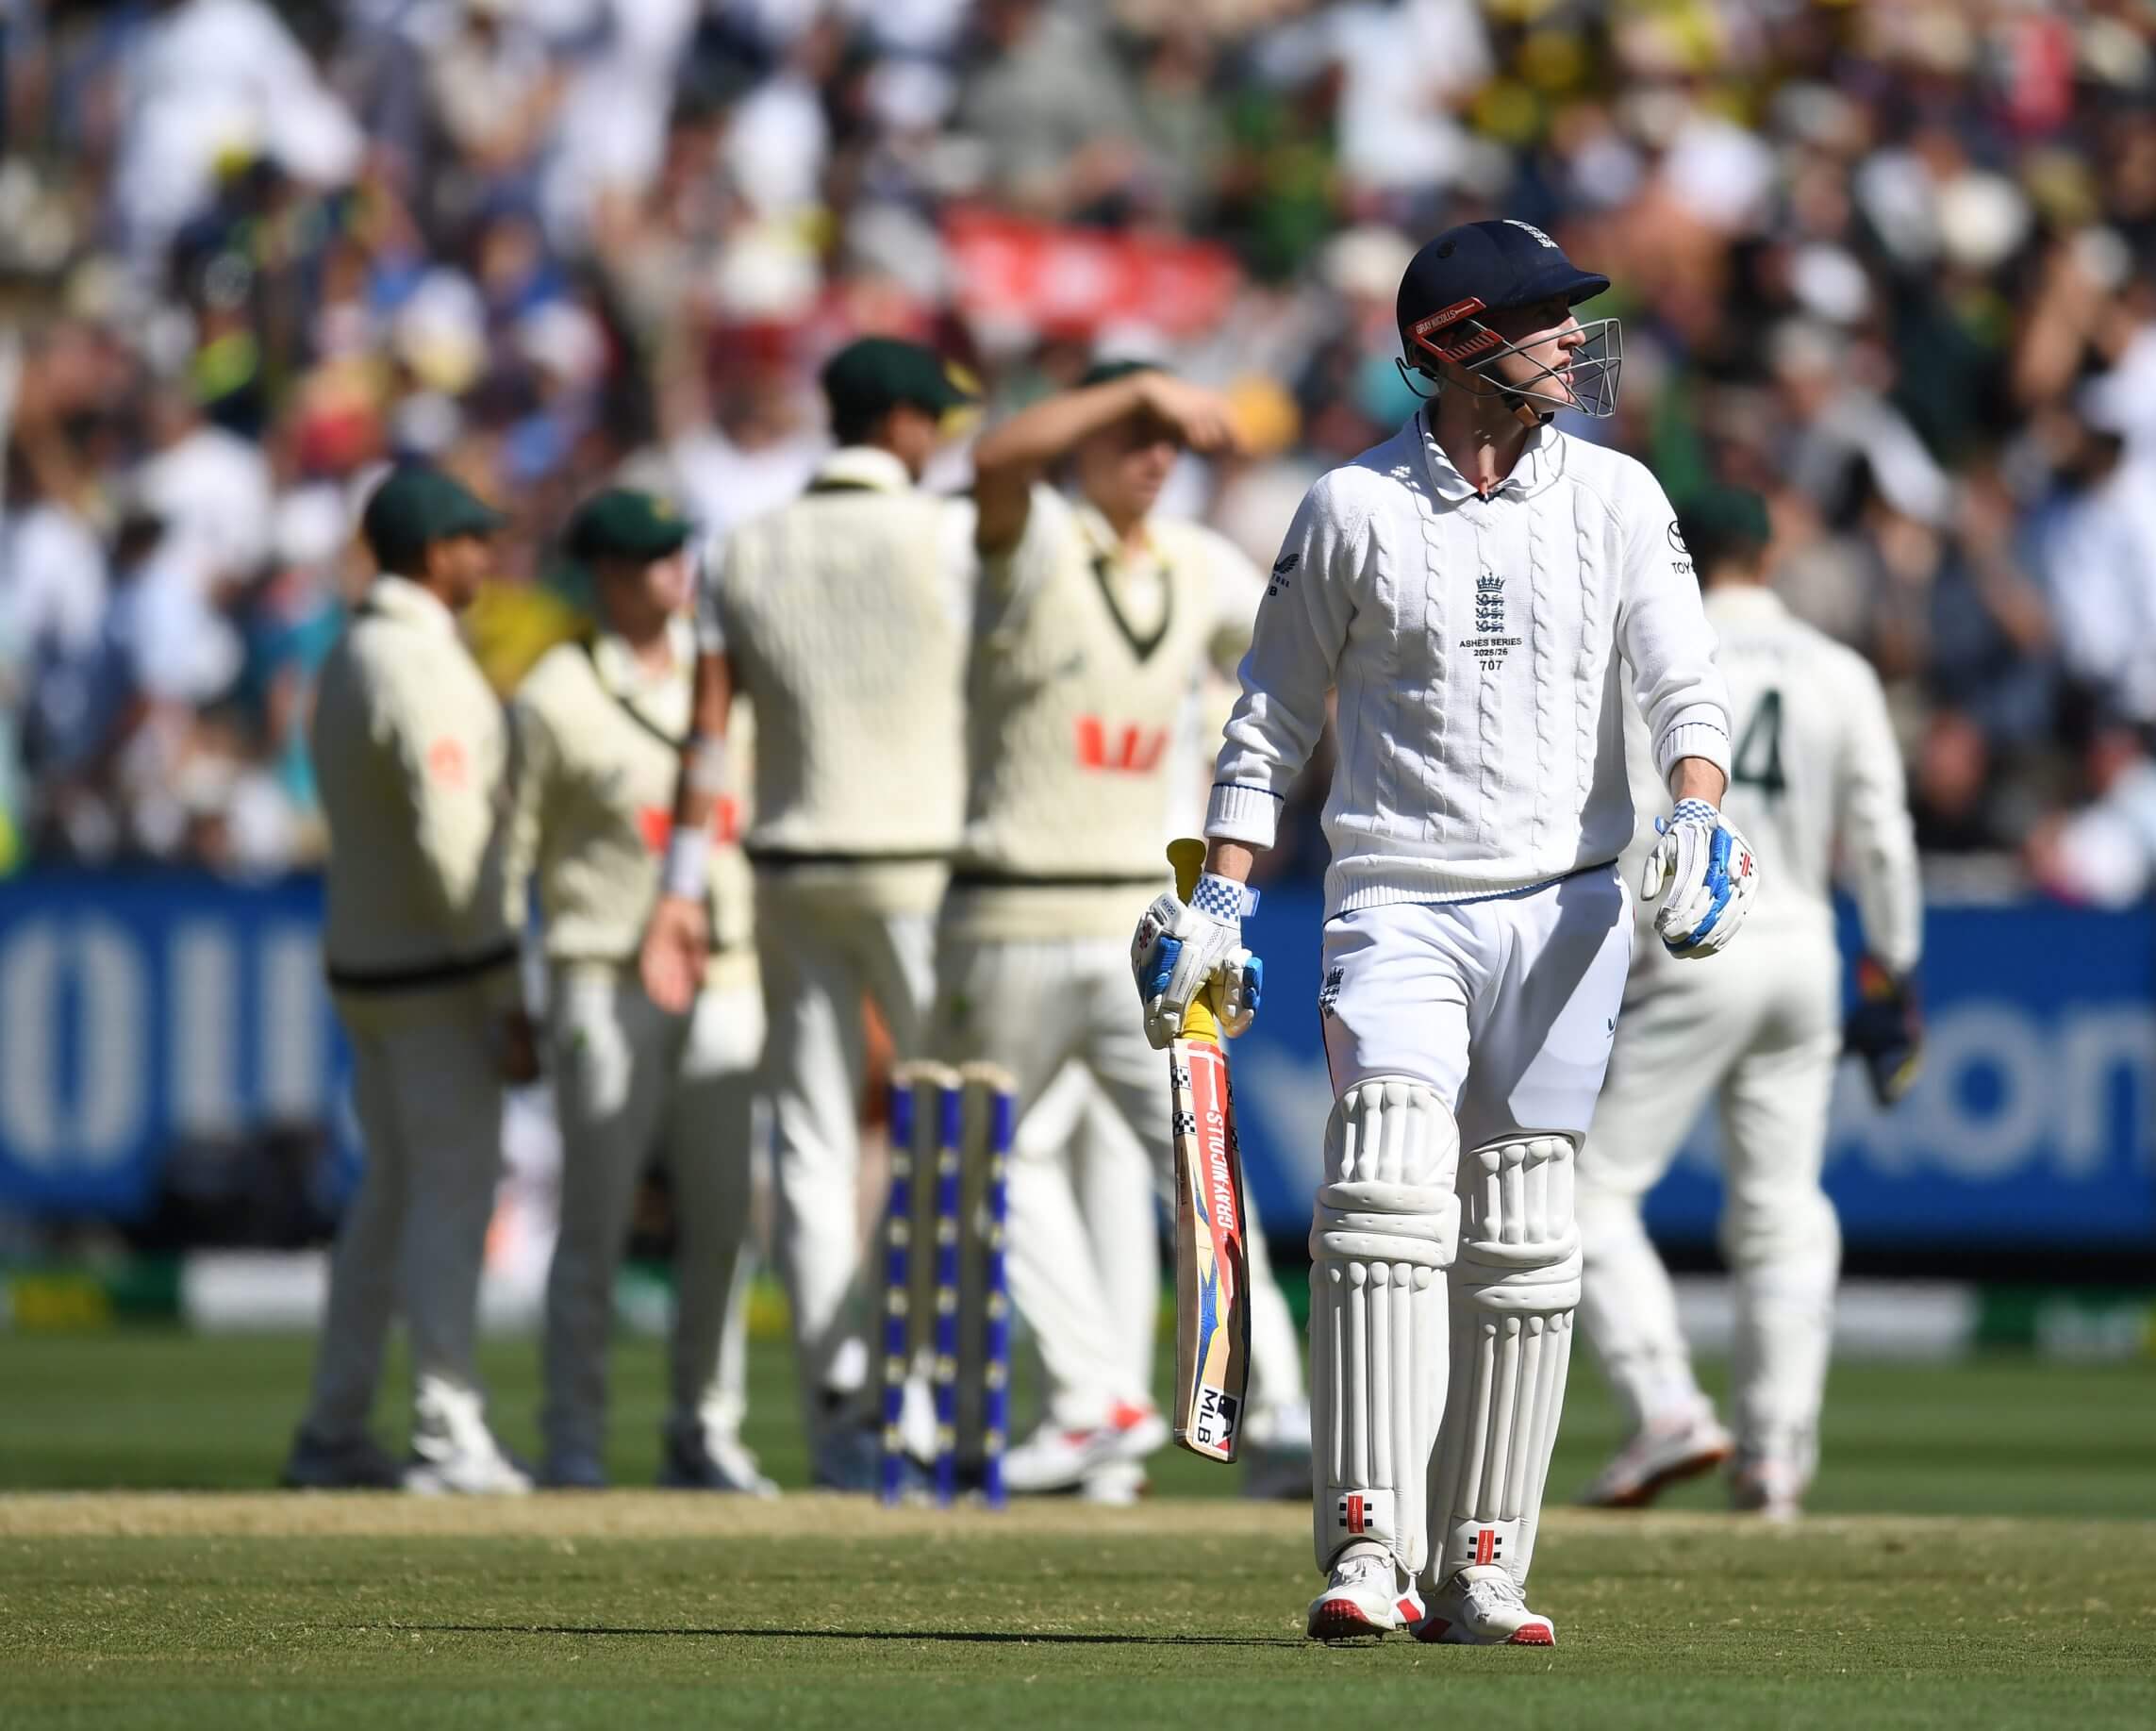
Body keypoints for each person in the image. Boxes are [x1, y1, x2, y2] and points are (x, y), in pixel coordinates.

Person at [1133, 220, 1755, 1645]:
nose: (1572, 347)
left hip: (1571, 901)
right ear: (1461, 344)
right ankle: (1367, 1544)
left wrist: (1701, 812)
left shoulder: (1617, 496)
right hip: (1397, 897)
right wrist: (1223, 887)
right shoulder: (1349, 508)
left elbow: (1684, 684)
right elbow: (1270, 718)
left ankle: (1484, 1565)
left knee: (1529, 1225)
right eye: (1545, 323)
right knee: (1385, 1193)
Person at [952, 359, 1315, 1502]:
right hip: (1014, 899)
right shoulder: (1037, 541)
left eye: (1170, 439)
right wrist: (1141, 385)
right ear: (1090, 437)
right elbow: (998, 459)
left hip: (1148, 922)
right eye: (1132, 435)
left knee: (1198, 1164)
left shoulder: (1201, 563)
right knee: (972, 1151)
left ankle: (1280, 1418)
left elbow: (1298, 669)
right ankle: (1099, 1396)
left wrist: (1228, 761)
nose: (1156, 457)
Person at [639, 338, 976, 1486]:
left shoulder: (742, 543)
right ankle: (916, 1389)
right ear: (906, 425)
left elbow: (705, 736)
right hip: (922, 865)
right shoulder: (952, 536)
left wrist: (679, 890)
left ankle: (840, 1406)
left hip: (785, 863)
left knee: (813, 1140)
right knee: (945, 1132)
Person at [1569, 487, 1922, 1522]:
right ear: (1767, 553)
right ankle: (1772, 1457)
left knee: (1587, 1193)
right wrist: (1893, 972)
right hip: (1805, 949)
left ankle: (1665, 1400)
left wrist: (1619, 951)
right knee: (1779, 1215)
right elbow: (1884, 836)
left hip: (1692, 943)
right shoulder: (1838, 668)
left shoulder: (1653, 658)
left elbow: (1636, 815)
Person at [507, 489, 771, 1495]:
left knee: (719, 1221)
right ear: (612, 574)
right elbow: (512, 856)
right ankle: (573, 1438)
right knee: (596, 1219)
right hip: (600, 974)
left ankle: (702, 1429)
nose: (677, 570)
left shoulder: (723, 681)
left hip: (727, 971)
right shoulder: (556, 693)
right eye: (656, 557)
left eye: (679, 552)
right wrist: (508, 992)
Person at [284, 463, 536, 1495]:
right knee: (448, 1191)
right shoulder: (417, 663)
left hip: (367, 964)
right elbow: (453, 839)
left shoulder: (349, 651)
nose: (486, 555)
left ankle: (335, 1424)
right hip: (434, 974)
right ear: (435, 553)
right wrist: (500, 984)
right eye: (474, 540)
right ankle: (447, 1428)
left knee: (387, 1200)